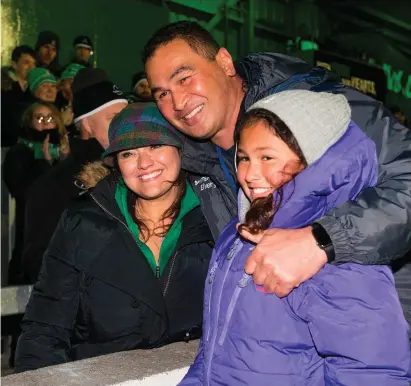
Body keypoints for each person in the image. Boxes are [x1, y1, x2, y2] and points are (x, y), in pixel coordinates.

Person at [143, 21, 411, 298]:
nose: (177, 102)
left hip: (383, 316)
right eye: (162, 93)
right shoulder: (190, 161)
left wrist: (323, 240)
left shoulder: (320, 110)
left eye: (184, 78)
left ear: (224, 62)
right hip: (285, 333)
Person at [179, 90, 410, 385]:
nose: (250, 173)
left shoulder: (327, 257)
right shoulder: (235, 236)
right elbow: (212, 352)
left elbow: (373, 372)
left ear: (311, 161)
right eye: (245, 158)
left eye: (267, 157)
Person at [14, 103, 213, 373]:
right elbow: (45, 327)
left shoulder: (215, 217)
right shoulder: (83, 223)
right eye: (129, 153)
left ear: (181, 149)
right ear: (116, 162)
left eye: (156, 145)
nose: (144, 163)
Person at [21, 68, 127, 284]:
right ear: (87, 124)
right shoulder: (52, 186)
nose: (124, 127)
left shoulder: (141, 174)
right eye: (114, 119)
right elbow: (38, 264)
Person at [3, 101, 69, 284]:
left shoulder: (65, 153)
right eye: (39, 118)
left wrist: (65, 164)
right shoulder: (18, 152)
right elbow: (20, 188)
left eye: (50, 118)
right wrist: (44, 164)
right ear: (29, 122)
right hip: (31, 232)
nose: (45, 123)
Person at [1, 45, 37, 147]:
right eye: (26, 63)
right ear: (14, 64)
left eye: (33, 64)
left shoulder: (32, 87)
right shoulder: (3, 87)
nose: (31, 67)